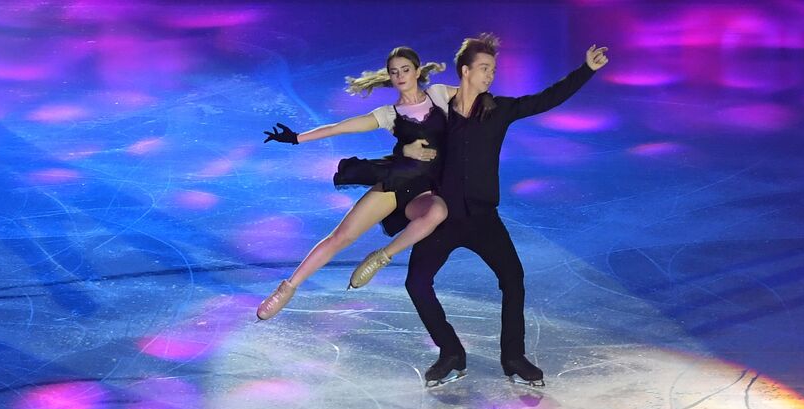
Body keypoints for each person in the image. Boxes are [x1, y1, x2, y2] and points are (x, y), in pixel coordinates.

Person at [401, 35, 609, 387]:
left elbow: (545, 100)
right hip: (443, 217)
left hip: (483, 219)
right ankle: (450, 352)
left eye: (493, 70)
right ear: (465, 71)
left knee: (513, 280)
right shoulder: (437, 114)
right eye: (484, 69)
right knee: (416, 282)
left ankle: (513, 357)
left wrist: (585, 70)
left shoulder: (498, 110)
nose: (490, 76)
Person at [257, 47, 454, 320]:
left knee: (437, 212)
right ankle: (287, 289)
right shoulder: (390, 113)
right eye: (394, 72)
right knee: (342, 237)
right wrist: (297, 138)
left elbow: (475, 94)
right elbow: (342, 127)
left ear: (418, 71)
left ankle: (380, 258)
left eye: (405, 70)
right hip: (396, 183)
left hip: (428, 190)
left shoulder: (441, 94)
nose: (400, 76)